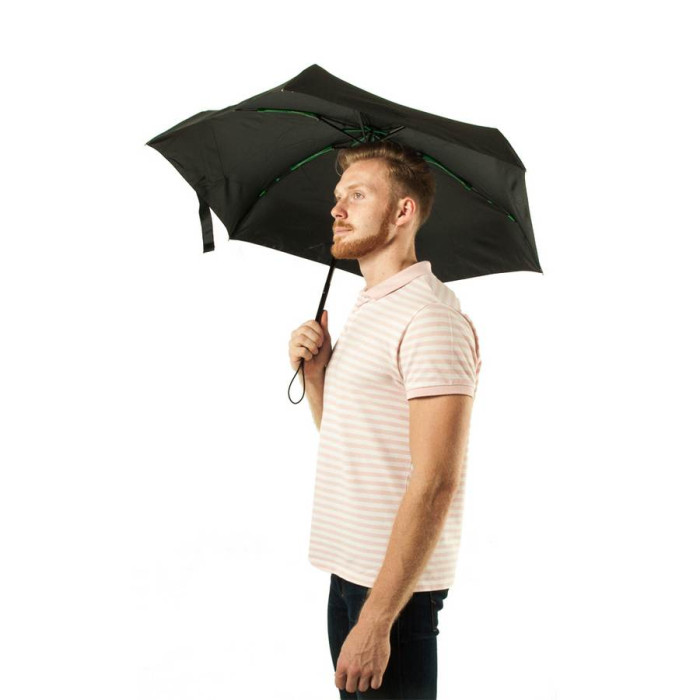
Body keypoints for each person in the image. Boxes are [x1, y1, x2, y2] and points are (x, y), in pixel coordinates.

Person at [287, 141, 481, 699]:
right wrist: (317, 377)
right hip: (351, 571)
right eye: (338, 196)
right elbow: (354, 443)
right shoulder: (373, 305)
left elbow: (437, 480)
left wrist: (376, 622)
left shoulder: (430, 319)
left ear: (402, 212)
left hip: (392, 596)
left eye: (357, 195)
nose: (336, 209)